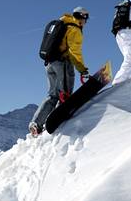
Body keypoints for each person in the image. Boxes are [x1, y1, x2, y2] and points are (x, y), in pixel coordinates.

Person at [29, 7, 91, 136]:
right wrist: (83, 70)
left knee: (52, 94)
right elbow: (75, 53)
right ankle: (60, 121)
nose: (86, 21)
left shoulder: (61, 23)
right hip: (62, 63)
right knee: (65, 94)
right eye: (86, 17)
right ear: (82, 17)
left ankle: (36, 124)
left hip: (49, 63)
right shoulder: (74, 29)